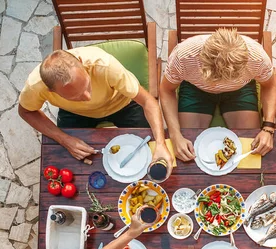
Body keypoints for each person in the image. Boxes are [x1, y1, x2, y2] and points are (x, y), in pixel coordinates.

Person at [19, 47, 173, 173]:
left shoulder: (105, 65)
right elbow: (26, 111)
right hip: (76, 113)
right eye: (75, 95)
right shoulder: (36, 86)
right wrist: (64, 139)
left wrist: (161, 143)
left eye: (86, 85)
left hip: (121, 104)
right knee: (73, 163)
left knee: (150, 146)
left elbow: (148, 101)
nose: (87, 97)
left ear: (81, 62)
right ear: (51, 91)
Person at [160, 28, 276, 161]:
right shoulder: (183, 56)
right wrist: (175, 135)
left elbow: (270, 85)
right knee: (188, 149)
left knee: (249, 150)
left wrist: (268, 128)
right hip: (196, 90)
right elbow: (166, 90)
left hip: (239, 92)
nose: (217, 85)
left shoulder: (258, 57)